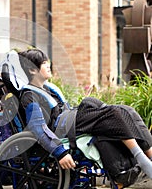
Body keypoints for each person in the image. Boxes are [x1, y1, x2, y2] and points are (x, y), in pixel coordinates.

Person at [16, 49, 152, 179]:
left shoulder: (47, 89)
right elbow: (38, 128)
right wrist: (59, 152)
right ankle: (141, 158)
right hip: (63, 128)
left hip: (69, 120)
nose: (48, 65)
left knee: (127, 110)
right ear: (32, 70)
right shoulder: (30, 96)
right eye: (43, 63)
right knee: (112, 111)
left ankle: (150, 155)